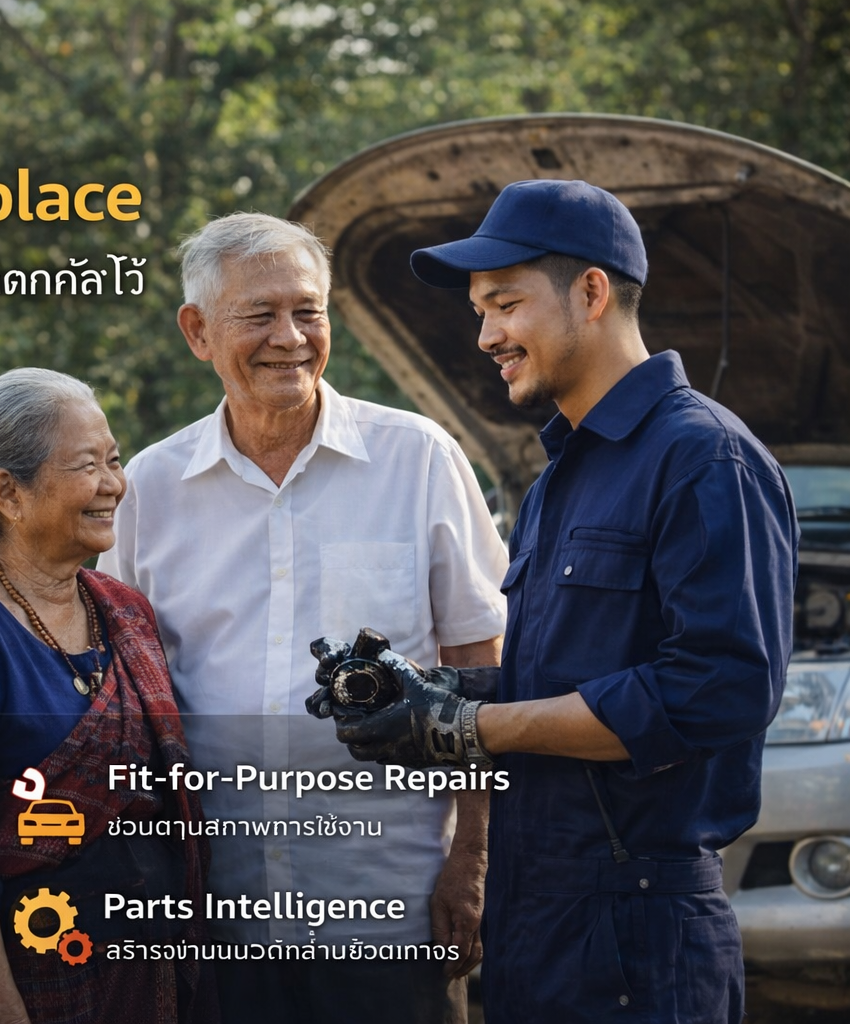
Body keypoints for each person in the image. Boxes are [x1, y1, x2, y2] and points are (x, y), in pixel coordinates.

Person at [333, 179, 797, 1023]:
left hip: (640, 928)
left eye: (506, 305)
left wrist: (476, 727)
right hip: (535, 918)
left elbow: (720, 688)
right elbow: (558, 678)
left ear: (591, 292)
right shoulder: (558, 481)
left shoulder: (704, 459)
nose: (486, 336)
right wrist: (426, 693)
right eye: (479, 312)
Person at [97, 213, 508, 1024]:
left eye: (307, 312)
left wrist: (473, 857)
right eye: (259, 314)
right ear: (197, 332)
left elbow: (479, 666)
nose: (289, 338)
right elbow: (123, 696)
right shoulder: (151, 488)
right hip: (217, 917)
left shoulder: (418, 459)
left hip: (392, 908)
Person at [0, 367, 217, 1024]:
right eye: (87, 465)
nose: (113, 484)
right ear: (9, 492)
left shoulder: (124, 611)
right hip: (22, 984)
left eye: (114, 460)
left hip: (143, 980)